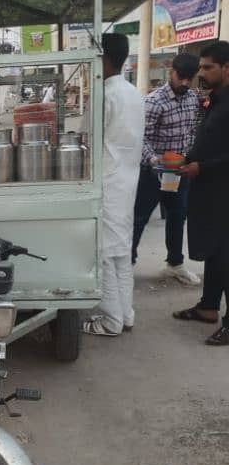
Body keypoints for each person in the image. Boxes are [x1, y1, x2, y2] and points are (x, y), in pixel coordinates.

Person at [83, 33, 145, 336]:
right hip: (127, 180)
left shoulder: (104, 94)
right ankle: (126, 314)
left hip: (107, 182)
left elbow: (88, 140)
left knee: (105, 253)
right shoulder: (134, 93)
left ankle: (110, 321)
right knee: (121, 252)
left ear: (103, 57)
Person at [173, 41, 229, 345]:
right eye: (201, 67)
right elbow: (208, 138)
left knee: (226, 255)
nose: (202, 72)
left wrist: (202, 168)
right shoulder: (215, 100)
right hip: (208, 190)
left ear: (226, 68)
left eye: (208, 67)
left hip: (223, 190)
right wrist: (186, 159)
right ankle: (209, 306)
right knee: (213, 251)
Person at [132, 54, 201, 284]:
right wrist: (154, 160)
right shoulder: (154, 102)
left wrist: (188, 157)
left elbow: (190, 131)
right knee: (139, 218)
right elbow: (141, 139)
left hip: (178, 172)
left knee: (177, 215)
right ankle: (127, 265)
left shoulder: (192, 99)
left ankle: (175, 264)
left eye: (189, 79)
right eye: (181, 77)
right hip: (152, 173)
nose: (184, 83)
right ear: (172, 72)